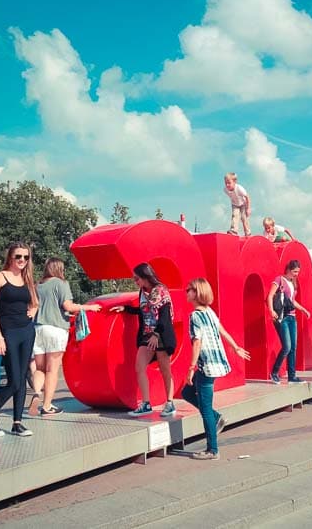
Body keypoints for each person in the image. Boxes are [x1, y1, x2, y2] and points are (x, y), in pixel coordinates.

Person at [183, 278, 250, 460]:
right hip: (215, 364)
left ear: (197, 293)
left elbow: (197, 342)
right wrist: (235, 347)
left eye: (189, 289)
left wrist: (191, 367)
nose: (186, 292)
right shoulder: (209, 312)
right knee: (187, 393)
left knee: (205, 409)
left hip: (206, 366)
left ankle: (212, 450)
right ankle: (217, 417)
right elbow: (222, 330)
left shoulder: (195, 316)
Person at [30, 257, 101, 416]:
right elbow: (68, 306)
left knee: (40, 368)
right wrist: (89, 307)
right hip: (56, 329)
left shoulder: (38, 286)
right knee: (52, 370)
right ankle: (47, 407)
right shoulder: (60, 284)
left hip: (39, 329)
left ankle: (36, 393)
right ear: (59, 269)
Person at [111, 263, 178, 417]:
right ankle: (146, 403)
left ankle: (169, 402)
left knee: (164, 369)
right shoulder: (143, 292)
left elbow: (165, 316)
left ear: (145, 276)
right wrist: (126, 309)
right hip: (146, 335)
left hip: (160, 334)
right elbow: (144, 311)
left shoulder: (161, 290)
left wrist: (156, 334)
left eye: (137, 278)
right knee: (139, 366)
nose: (136, 282)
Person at [0, 242, 39, 438]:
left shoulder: (27, 279)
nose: (22, 261)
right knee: (14, 381)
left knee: (23, 377)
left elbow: (35, 302)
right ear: (10, 256)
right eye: (18, 256)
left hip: (27, 331)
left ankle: (18, 422)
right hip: (8, 332)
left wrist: (31, 313)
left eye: (26, 257)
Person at [267, 260, 311, 384]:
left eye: (298, 272)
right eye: (295, 271)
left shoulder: (293, 283)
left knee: (293, 348)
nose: (297, 274)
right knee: (287, 347)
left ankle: (292, 376)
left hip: (292, 318)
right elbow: (270, 296)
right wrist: (271, 310)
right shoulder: (279, 280)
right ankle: (274, 372)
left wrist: (303, 309)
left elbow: (291, 301)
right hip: (282, 318)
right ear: (289, 270)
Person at [223, 172, 251, 237]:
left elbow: (247, 197)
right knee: (235, 216)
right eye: (226, 183)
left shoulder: (240, 189)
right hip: (235, 204)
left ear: (235, 182)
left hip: (243, 204)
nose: (227, 185)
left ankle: (248, 233)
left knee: (244, 218)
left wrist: (248, 208)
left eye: (229, 183)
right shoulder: (225, 190)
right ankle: (234, 231)